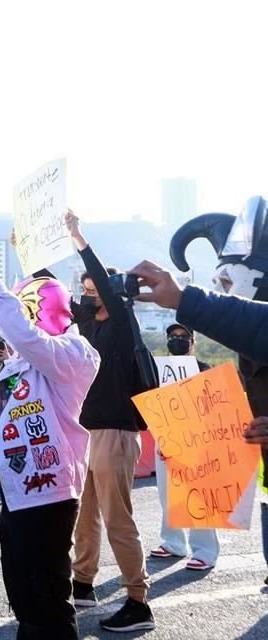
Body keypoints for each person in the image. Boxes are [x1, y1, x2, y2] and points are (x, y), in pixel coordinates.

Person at [0, 231, 100, 640]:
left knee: (47, 594)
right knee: (23, 591)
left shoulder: (74, 354)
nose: (16, 325)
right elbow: (2, 319)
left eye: (28, 310)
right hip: (17, 488)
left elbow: (22, 333)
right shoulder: (25, 358)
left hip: (51, 492)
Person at [133, 193, 268, 585]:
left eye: (229, 281)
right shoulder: (247, 353)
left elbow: (252, 321)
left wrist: (182, 298)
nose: (222, 287)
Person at [63, 211, 154, 631]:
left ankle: (138, 602)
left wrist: (79, 238)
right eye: (84, 290)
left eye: (94, 289)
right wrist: (24, 254)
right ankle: (83, 584)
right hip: (87, 434)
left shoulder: (121, 323)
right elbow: (47, 297)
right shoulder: (87, 326)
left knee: (118, 520)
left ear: (110, 294)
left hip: (116, 433)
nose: (88, 295)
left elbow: (103, 284)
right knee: (84, 516)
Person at [149, 324, 219, 570]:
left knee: (198, 495)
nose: (177, 340)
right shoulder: (158, 370)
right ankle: (173, 543)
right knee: (167, 492)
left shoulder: (203, 369)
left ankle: (205, 551)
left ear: (193, 341)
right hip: (166, 439)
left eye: (183, 337)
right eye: (173, 336)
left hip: (196, 440)